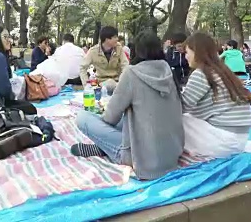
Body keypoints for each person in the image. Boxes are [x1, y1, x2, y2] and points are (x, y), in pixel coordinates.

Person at [71, 31, 184, 180]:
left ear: (137, 50)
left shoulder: (132, 73)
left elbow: (110, 117)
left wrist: (102, 115)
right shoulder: (169, 71)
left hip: (143, 161)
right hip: (172, 155)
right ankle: (104, 146)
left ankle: (107, 147)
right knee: (129, 116)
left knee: (83, 118)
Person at [181, 32, 251, 159]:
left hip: (223, 142)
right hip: (240, 140)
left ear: (196, 52)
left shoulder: (201, 73)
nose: (186, 57)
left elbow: (181, 106)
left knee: (173, 118)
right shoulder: (223, 70)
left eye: (187, 53)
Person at [79, 26, 129, 94]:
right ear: (106, 39)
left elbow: (125, 65)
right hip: (100, 83)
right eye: (114, 37)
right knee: (109, 84)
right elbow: (82, 67)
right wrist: (86, 86)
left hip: (117, 82)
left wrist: (122, 81)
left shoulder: (119, 48)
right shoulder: (93, 51)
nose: (117, 39)